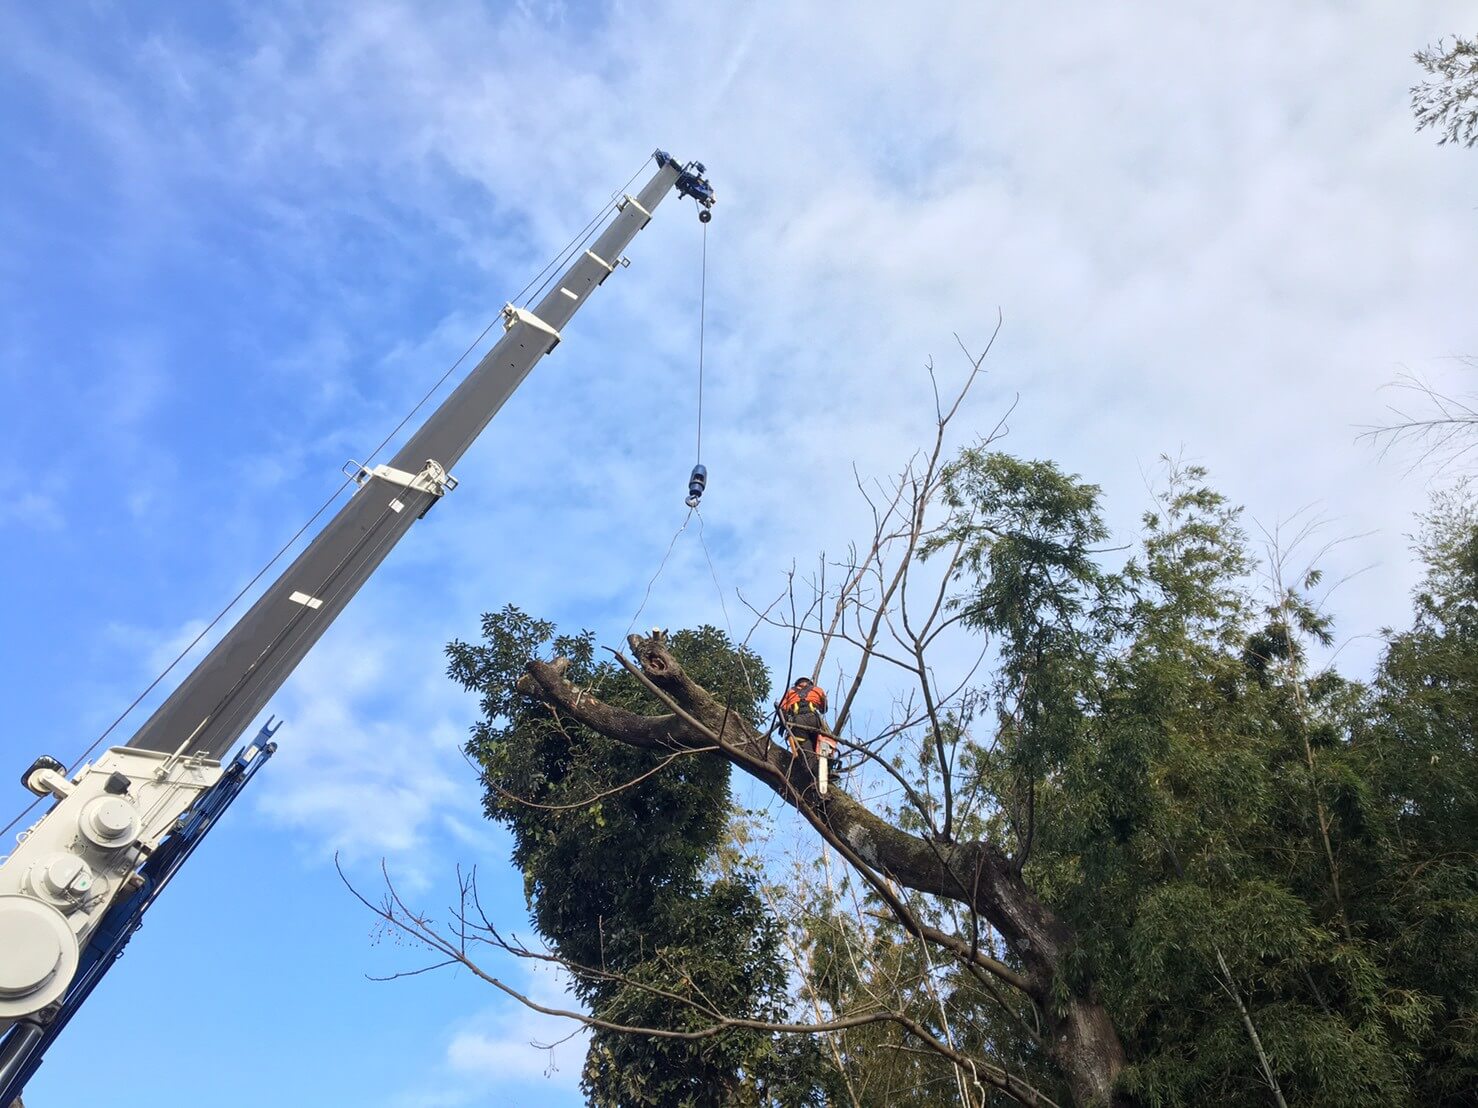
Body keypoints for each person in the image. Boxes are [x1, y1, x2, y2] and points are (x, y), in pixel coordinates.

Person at [779, 677, 831, 756]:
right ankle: (820, 758)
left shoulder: (790, 692)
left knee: (806, 751)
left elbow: (782, 709)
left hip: (798, 722)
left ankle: (809, 761)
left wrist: (783, 724)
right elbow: (824, 709)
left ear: (797, 684)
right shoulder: (817, 690)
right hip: (814, 720)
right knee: (818, 745)